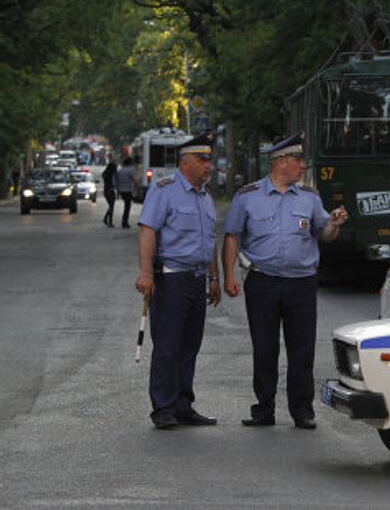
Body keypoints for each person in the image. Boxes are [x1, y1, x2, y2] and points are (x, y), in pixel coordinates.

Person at [222, 131, 348, 430]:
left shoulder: (309, 197)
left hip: (301, 283)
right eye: (297, 160)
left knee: (301, 350)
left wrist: (334, 225)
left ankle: (302, 410)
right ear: (280, 163)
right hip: (262, 282)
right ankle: (263, 409)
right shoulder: (248, 196)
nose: (302, 166)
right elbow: (232, 236)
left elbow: (325, 234)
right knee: (264, 348)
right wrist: (228, 274)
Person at [134, 131, 221, 430]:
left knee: (189, 347)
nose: (208, 165)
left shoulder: (206, 197)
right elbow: (148, 231)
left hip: (197, 279)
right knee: (168, 346)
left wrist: (214, 277)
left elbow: (209, 241)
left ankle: (184, 405)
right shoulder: (165, 190)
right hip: (171, 279)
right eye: (202, 159)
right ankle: (163, 408)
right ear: (185, 163)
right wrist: (145, 273)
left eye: (209, 160)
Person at [116, 157, 136, 229]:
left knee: (126, 206)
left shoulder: (120, 171)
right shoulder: (130, 171)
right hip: (128, 190)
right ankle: (125, 222)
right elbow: (134, 180)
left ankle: (124, 221)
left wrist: (118, 192)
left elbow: (117, 181)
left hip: (122, 190)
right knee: (127, 207)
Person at [102, 161, 117, 227]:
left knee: (111, 206)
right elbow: (114, 183)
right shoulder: (112, 175)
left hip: (106, 191)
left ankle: (106, 218)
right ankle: (109, 221)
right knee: (111, 206)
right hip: (110, 191)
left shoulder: (105, 174)